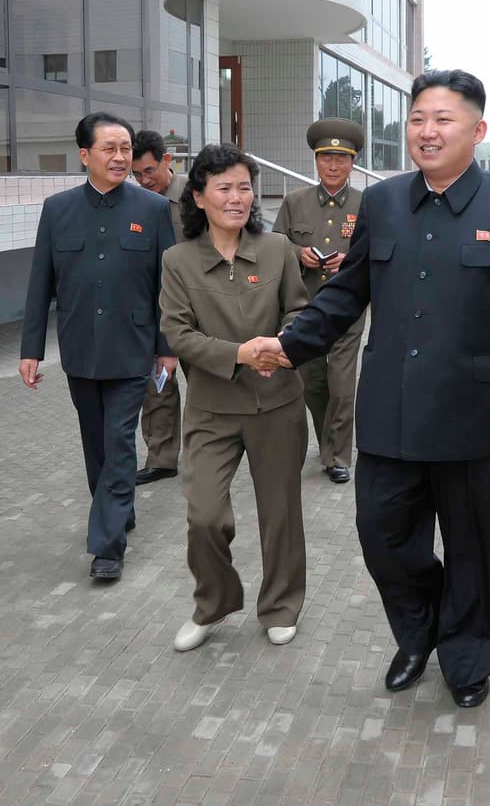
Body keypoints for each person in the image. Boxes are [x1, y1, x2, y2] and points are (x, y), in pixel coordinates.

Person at [252, 69, 490, 709]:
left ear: (477, 131)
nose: (427, 132)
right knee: (384, 535)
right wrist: (291, 345)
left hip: (480, 413)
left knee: (477, 545)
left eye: (443, 119)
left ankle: (468, 655)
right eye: (418, 118)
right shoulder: (384, 202)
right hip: (394, 410)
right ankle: (420, 629)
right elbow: (348, 292)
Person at [159, 144, 310, 651]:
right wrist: (240, 354)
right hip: (211, 409)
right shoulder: (177, 261)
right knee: (204, 514)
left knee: (281, 514)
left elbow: (300, 313)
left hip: (277, 404)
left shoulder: (277, 249)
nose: (236, 197)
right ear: (198, 196)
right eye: (223, 187)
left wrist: (283, 345)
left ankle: (281, 606)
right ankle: (214, 602)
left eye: (244, 186)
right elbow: (177, 335)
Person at [19, 113, 176, 582]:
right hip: (80, 347)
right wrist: (30, 349)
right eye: (108, 148)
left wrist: (167, 346)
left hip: (133, 347)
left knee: (119, 440)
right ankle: (116, 505)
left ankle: (107, 546)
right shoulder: (58, 208)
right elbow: (39, 283)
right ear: (84, 154)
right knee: (95, 445)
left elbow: (166, 285)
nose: (120, 156)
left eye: (125, 147)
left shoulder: (152, 209)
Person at [271, 118, 367, 484]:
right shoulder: (295, 202)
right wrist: (298, 253)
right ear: (315, 159)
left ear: (353, 162)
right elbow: (275, 246)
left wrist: (352, 258)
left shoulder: (367, 203)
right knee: (312, 383)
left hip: (349, 308)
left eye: (341, 158)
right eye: (326, 157)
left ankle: (337, 455)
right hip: (305, 306)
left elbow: (379, 252)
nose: (333, 165)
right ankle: (328, 440)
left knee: (342, 383)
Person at [130, 129, 186, 486]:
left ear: (167, 160)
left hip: (199, 308)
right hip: (155, 308)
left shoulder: (198, 196)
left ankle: (216, 449)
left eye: (149, 171)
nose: (143, 180)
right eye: (137, 174)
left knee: (211, 384)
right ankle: (162, 457)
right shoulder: (136, 204)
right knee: (158, 385)